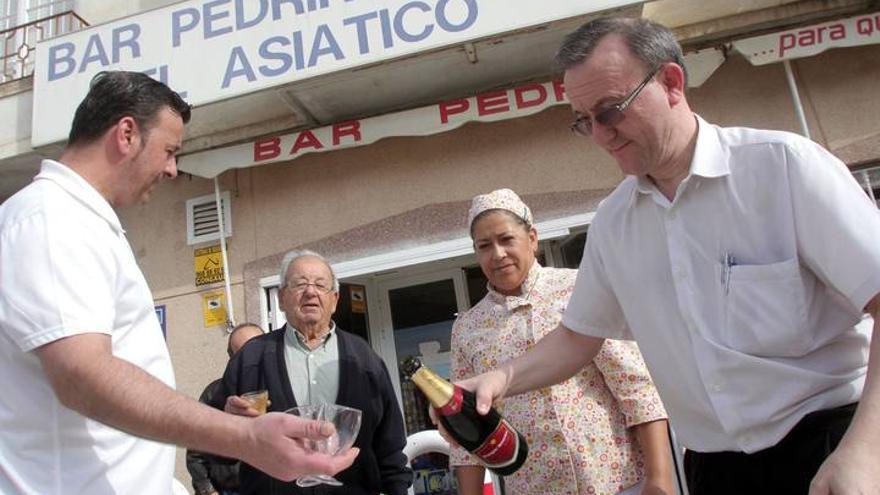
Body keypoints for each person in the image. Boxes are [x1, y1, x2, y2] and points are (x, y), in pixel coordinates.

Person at [449, 17, 880, 495]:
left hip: (835, 444)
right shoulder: (615, 222)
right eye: (584, 121)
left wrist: (865, 450)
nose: (600, 135)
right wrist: (499, 379)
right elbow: (577, 337)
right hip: (715, 469)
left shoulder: (782, 167)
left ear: (672, 82)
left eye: (611, 111)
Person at [0, 71, 357, 495]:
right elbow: (83, 375)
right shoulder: (52, 219)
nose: (173, 169)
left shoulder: (78, 221)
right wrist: (244, 438)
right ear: (127, 134)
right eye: (169, 151)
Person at [448, 188, 672, 495]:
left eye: (506, 239)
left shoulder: (578, 289)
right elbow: (468, 433)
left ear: (533, 239)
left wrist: (660, 479)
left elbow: (635, 387)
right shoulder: (468, 328)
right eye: (484, 246)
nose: (497, 254)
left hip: (619, 482)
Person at [213, 249, 413, 495]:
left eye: (320, 285)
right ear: (282, 298)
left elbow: (389, 445)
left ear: (335, 299)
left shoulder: (363, 359)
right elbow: (213, 447)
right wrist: (231, 426)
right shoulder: (251, 358)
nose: (310, 292)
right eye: (299, 284)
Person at [187, 323, 265, 495]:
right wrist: (207, 490)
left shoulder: (282, 386)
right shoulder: (215, 393)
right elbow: (195, 448)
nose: (252, 357)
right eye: (243, 353)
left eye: (257, 348)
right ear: (232, 358)